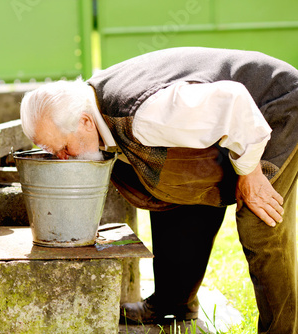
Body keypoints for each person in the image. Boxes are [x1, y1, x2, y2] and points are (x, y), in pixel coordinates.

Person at [19, 47, 298, 333]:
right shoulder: (88, 103)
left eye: (65, 148)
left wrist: (250, 172)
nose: (64, 158)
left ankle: (282, 329)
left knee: (260, 220)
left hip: (274, 105)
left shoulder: (144, 115)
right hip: (231, 119)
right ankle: (173, 303)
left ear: (85, 122)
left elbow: (234, 101)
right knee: (172, 185)